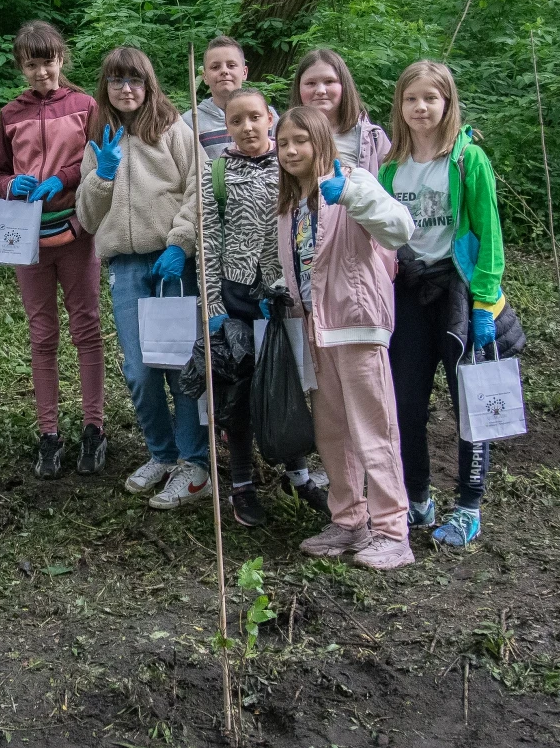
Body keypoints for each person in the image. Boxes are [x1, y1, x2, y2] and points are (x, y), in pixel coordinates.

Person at [274, 106, 416, 570]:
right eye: (284, 143)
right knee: (331, 431)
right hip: (316, 329)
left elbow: (399, 229)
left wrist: (353, 196)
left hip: (356, 324)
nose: (292, 151)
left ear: (321, 142)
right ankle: (349, 521)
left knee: (373, 429)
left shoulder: (352, 181)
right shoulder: (293, 202)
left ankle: (393, 530)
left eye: (301, 141)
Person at [378, 61, 507, 549]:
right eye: (412, 99)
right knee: (406, 403)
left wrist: (484, 302)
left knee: (468, 401)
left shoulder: (467, 160)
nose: (421, 107)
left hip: (457, 291)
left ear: (448, 103)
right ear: (400, 106)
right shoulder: (392, 164)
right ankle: (417, 498)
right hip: (410, 291)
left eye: (431, 98)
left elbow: (489, 234)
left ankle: (468, 506)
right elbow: (385, 235)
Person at [76, 46, 210, 510]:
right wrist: (102, 176)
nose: (126, 89)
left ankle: (195, 465)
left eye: (134, 80)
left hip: (172, 262)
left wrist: (180, 242)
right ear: (106, 87)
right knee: (139, 370)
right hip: (127, 266)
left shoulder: (173, 128)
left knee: (180, 367)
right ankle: (162, 454)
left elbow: (199, 188)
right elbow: (87, 216)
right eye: (117, 81)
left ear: (148, 83)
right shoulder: (100, 136)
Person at [200, 88, 329, 526]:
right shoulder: (215, 171)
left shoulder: (289, 164)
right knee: (238, 390)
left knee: (288, 380)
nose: (248, 127)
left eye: (255, 117)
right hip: (236, 294)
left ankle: (297, 472)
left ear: (270, 117)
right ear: (227, 126)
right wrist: (214, 303)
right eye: (237, 121)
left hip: (283, 295)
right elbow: (209, 242)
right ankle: (241, 484)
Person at [0, 20, 107, 479]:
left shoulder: (85, 105)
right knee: (42, 334)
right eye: (31, 64)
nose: (41, 73)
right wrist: (9, 184)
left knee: (87, 327)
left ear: (62, 59)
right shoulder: (9, 114)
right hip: (27, 239)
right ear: (21, 66)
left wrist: (65, 178)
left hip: (76, 231)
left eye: (48, 62)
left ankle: (94, 428)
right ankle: (49, 434)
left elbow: (98, 160)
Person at [289, 48, 390, 174]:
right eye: (310, 83)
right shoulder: (284, 139)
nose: (320, 90)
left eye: (329, 81)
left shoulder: (372, 138)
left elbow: (391, 188)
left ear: (344, 86)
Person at [182, 36, 278, 159]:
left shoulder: (267, 116)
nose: (224, 71)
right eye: (215, 67)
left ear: (244, 72)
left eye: (231, 65)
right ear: (205, 76)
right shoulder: (190, 122)